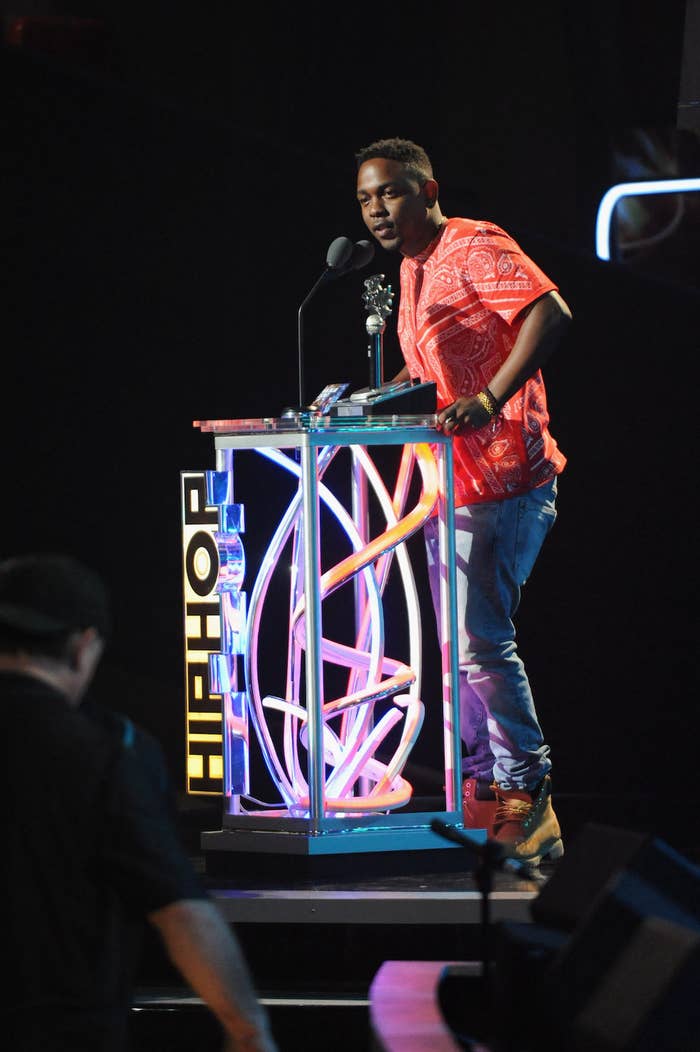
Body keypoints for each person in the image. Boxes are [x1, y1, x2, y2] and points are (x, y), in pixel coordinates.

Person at [355, 137, 572, 871]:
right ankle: (483, 788)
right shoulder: (410, 271)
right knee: (460, 649)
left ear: (426, 189)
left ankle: (526, 792)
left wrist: (489, 397)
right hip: (451, 486)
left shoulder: (473, 243)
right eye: (364, 199)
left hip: (508, 480)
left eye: (388, 192)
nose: (376, 209)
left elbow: (552, 313)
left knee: (482, 642)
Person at [0, 552, 278, 1052]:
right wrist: (248, 1030)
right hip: (65, 1030)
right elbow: (179, 911)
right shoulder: (110, 750)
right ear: (83, 646)